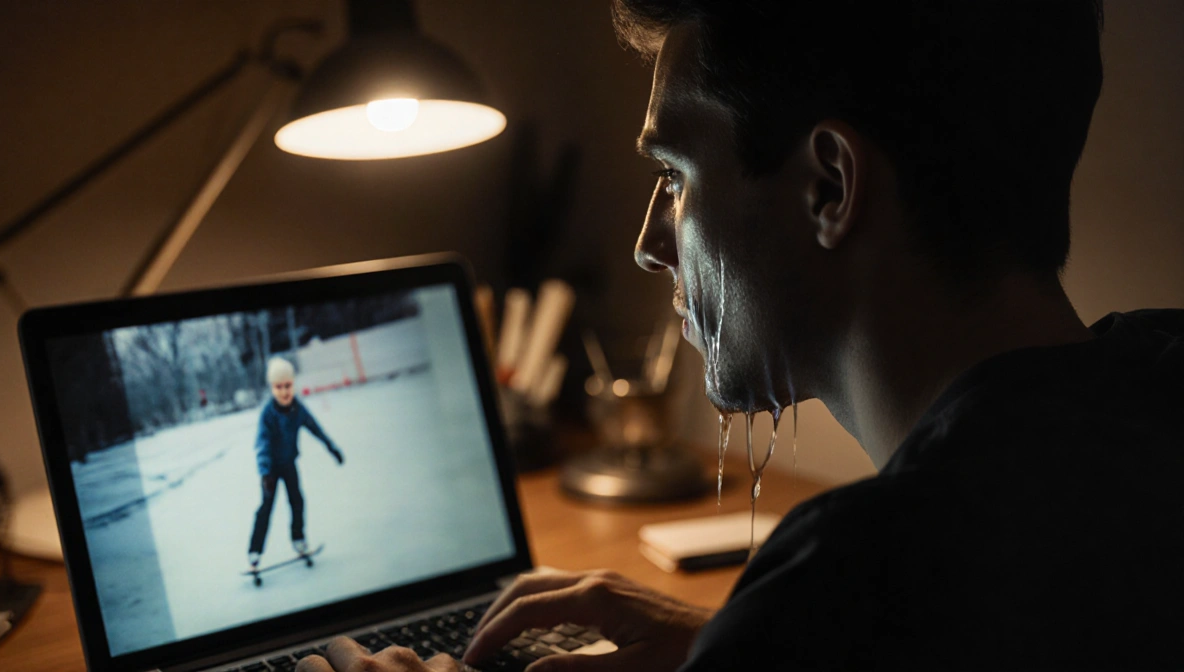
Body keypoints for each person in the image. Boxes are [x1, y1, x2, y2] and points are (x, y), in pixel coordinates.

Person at [299, 1, 1184, 670]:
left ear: (830, 188)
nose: (651, 246)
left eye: (676, 175)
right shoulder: (1162, 378)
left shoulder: (856, 580)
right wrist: (722, 645)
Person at [248, 357, 344, 571]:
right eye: (278, 387)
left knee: (297, 501)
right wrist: (265, 474)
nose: (284, 392)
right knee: (266, 507)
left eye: (288, 386)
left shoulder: (298, 410)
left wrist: (332, 448)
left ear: (293, 384)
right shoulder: (268, 413)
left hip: (289, 464)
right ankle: (255, 551)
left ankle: (298, 539)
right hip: (271, 470)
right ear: (272, 388)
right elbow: (262, 444)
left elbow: (315, 428)